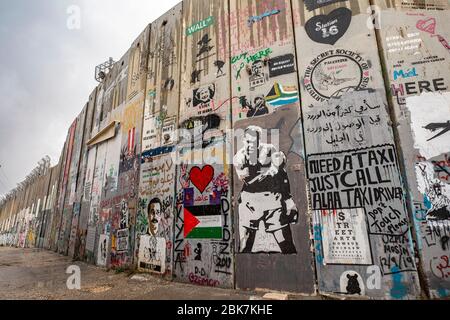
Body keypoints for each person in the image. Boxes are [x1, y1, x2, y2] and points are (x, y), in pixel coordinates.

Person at [233, 126, 298, 254]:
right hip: (250, 203)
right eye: (248, 142)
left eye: (254, 142)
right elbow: (249, 180)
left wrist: (289, 200)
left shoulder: (269, 149)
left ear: (259, 141)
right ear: (243, 140)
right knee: (245, 245)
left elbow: (282, 176)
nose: (250, 145)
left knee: (286, 243)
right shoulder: (239, 157)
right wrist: (272, 169)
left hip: (272, 200)